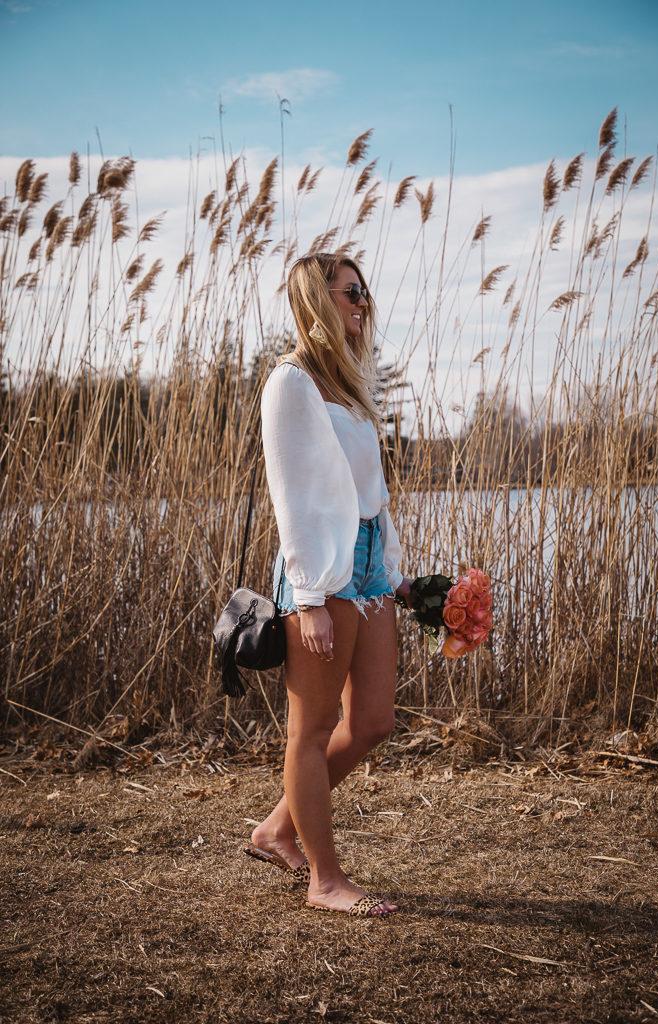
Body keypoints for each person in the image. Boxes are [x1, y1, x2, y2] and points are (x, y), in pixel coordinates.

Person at [245, 252, 412, 917]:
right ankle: (324, 879)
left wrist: (393, 573)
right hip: (323, 569)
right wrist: (308, 597)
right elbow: (290, 497)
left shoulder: (348, 381)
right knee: (311, 729)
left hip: (367, 564)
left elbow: (371, 492)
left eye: (365, 291)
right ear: (318, 299)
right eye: (350, 292)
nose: (362, 302)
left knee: (373, 721)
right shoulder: (291, 382)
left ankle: (274, 830)